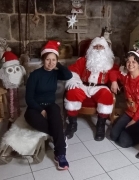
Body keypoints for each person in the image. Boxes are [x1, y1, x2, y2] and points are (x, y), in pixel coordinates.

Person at [24, 40, 72, 170]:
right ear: (43, 60)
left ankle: (60, 154)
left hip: (50, 105)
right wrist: (40, 110)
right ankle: (60, 135)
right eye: (47, 60)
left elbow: (68, 75)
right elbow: (28, 98)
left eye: (53, 60)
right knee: (35, 119)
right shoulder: (35, 75)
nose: (50, 63)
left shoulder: (55, 73)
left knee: (55, 112)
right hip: (35, 107)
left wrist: (59, 64)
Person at [64, 36, 118, 141]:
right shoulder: (83, 61)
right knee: (72, 93)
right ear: (90, 49)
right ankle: (72, 124)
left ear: (106, 49)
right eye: (95, 46)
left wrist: (114, 81)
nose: (98, 49)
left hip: (100, 87)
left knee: (106, 96)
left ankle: (101, 125)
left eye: (101, 47)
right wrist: (74, 81)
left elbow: (116, 74)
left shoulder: (110, 63)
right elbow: (73, 70)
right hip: (83, 85)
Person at [109, 50, 139, 148]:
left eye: (134, 62)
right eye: (128, 61)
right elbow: (113, 73)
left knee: (123, 142)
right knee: (113, 136)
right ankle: (125, 128)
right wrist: (114, 82)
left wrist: (133, 121)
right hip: (129, 112)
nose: (130, 64)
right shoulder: (126, 76)